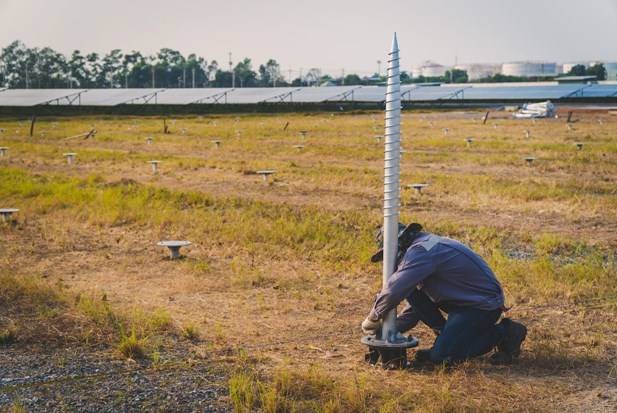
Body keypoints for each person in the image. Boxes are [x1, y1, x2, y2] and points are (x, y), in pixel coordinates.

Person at [361, 227, 527, 365]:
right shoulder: (423, 247)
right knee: (411, 290)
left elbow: (395, 288)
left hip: (480, 306)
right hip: (461, 302)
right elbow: (417, 307)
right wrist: (387, 331)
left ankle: (504, 332)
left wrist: (374, 317)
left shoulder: (420, 251)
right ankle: (447, 337)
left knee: (441, 357)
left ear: (398, 246)